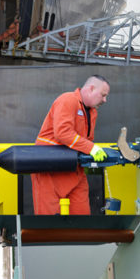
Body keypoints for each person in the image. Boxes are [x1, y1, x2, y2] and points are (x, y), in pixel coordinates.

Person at [31, 75, 109, 215]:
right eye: (103, 95)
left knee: (82, 218)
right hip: (48, 170)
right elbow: (62, 132)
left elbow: (86, 141)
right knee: (47, 223)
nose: (105, 100)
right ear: (91, 88)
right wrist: (91, 148)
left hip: (74, 171)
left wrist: (91, 152)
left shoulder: (92, 112)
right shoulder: (68, 99)